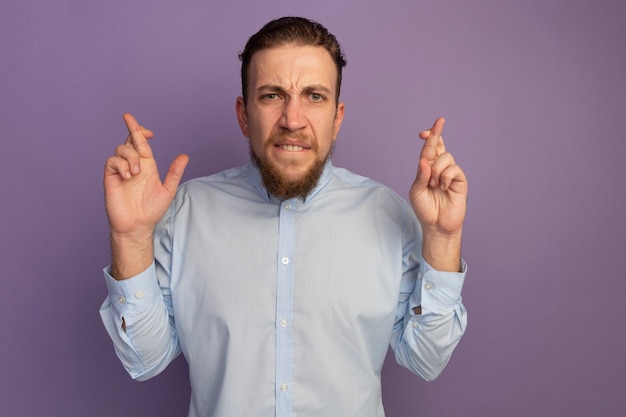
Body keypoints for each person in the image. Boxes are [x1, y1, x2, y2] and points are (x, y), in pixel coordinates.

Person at [100, 16, 468, 417]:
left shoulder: (389, 214)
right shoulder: (185, 214)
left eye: (314, 96)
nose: (293, 120)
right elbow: (145, 359)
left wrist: (444, 240)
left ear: (337, 117)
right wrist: (131, 238)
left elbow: (427, 359)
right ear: (243, 115)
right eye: (272, 95)